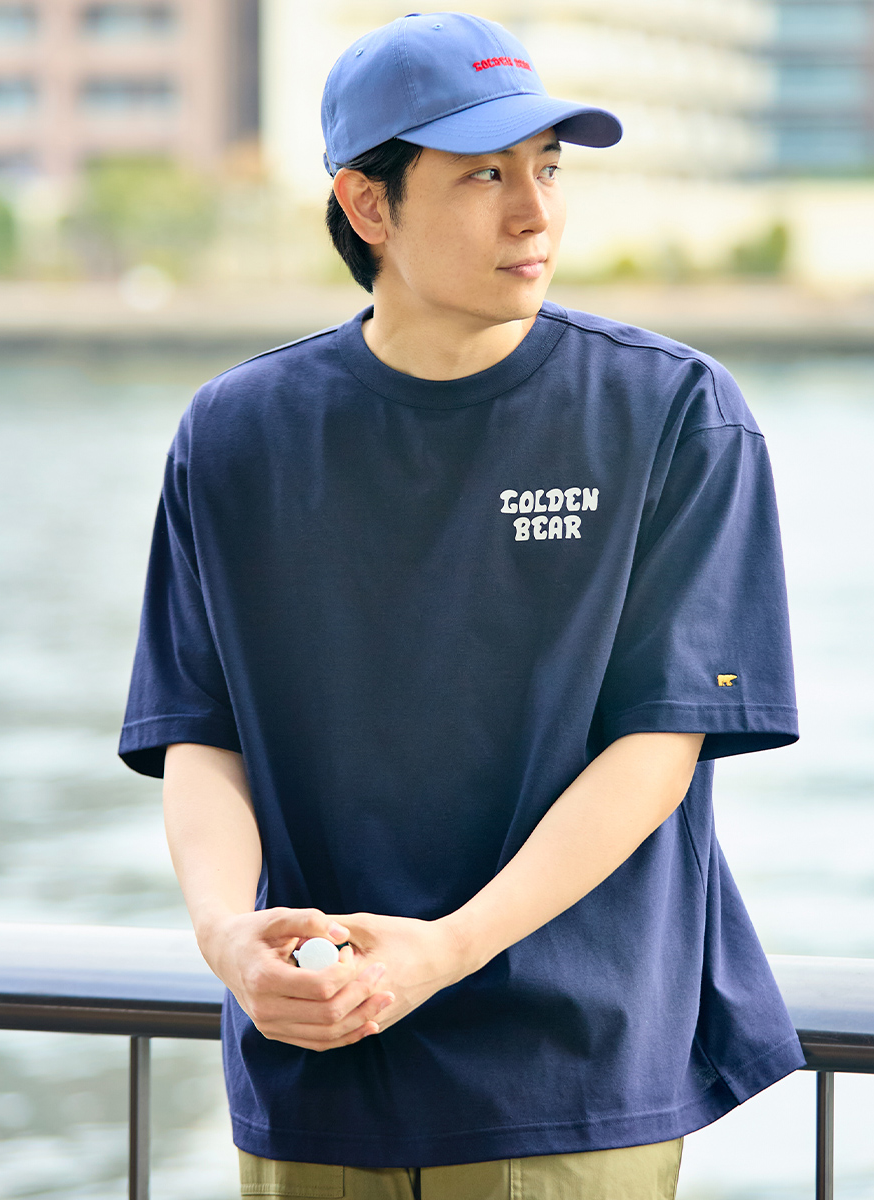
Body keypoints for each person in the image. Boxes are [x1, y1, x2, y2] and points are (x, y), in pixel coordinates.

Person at [119, 12, 805, 1200]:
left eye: (548, 167)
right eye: (485, 174)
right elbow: (199, 733)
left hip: (569, 1076)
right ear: (367, 204)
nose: (534, 213)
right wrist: (228, 938)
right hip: (314, 1071)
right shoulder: (235, 436)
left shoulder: (673, 414)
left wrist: (441, 954)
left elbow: (661, 747)